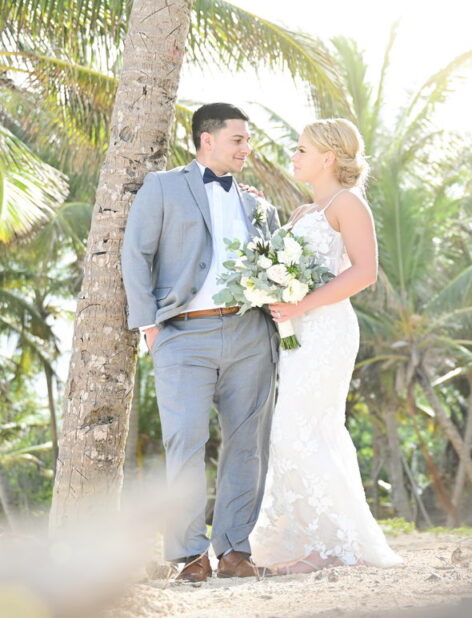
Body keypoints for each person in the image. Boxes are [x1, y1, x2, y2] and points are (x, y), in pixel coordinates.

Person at [121, 102, 281, 582]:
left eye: (248, 140)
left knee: (248, 443)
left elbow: (275, 266)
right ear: (206, 139)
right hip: (182, 335)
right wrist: (149, 327)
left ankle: (235, 550)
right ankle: (189, 554)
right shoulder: (164, 186)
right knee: (186, 441)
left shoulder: (258, 204)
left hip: (251, 333)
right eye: (239, 139)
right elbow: (136, 253)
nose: (246, 149)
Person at [250, 118, 403, 574]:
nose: (292, 157)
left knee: (302, 428)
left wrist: (303, 304)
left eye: (300, 150)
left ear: (328, 158)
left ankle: (333, 546)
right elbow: (279, 262)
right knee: (296, 429)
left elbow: (364, 272)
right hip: (296, 332)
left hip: (328, 327)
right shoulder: (301, 212)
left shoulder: (348, 204)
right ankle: (310, 540)